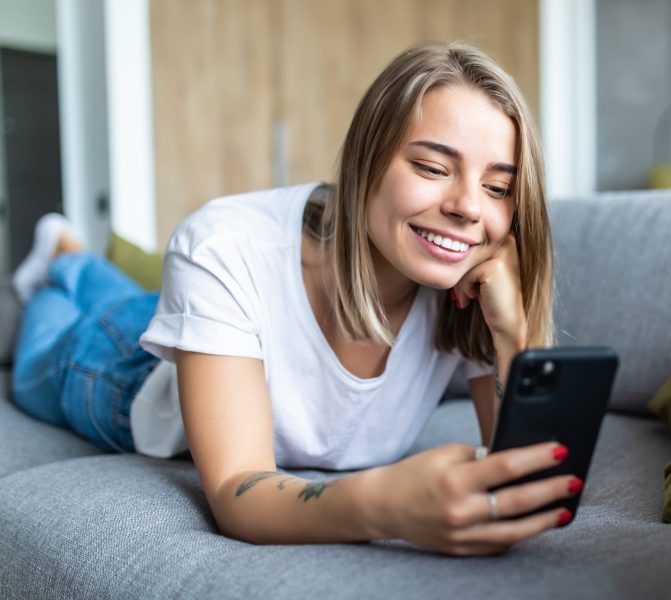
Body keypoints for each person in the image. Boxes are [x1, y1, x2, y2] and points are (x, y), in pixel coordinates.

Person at [10, 43, 579, 556]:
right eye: (432, 168)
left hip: (220, 329)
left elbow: (529, 477)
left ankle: (78, 258)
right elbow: (239, 488)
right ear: (366, 162)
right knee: (39, 349)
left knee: (126, 294)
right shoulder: (224, 242)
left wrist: (511, 332)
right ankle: (63, 254)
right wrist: (383, 504)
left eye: (498, 187)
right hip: (125, 374)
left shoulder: (470, 281)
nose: (469, 208)